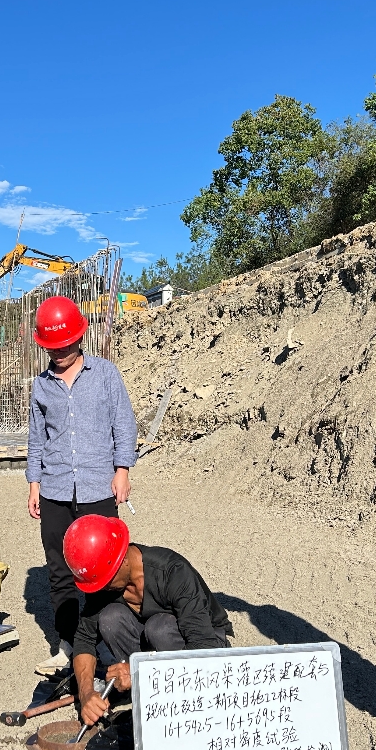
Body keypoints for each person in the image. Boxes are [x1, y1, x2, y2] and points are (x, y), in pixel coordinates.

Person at [26, 296, 138, 675]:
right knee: (59, 572)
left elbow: (123, 424)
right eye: (51, 346)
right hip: (55, 489)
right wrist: (34, 483)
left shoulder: (105, 374)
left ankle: (110, 647)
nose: (59, 351)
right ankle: (67, 646)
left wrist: (122, 469)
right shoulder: (41, 387)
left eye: (65, 343)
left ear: (79, 337)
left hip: (97, 488)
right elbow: (36, 439)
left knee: (105, 572)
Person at [63, 514, 233, 728]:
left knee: (158, 628)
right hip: (159, 654)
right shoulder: (105, 581)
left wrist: (143, 675)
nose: (102, 589)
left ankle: (179, 695)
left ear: (122, 560)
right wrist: (86, 693)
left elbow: (203, 647)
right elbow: (84, 639)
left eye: (106, 582)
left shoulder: (172, 572)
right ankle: (152, 691)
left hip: (207, 645)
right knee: (110, 618)